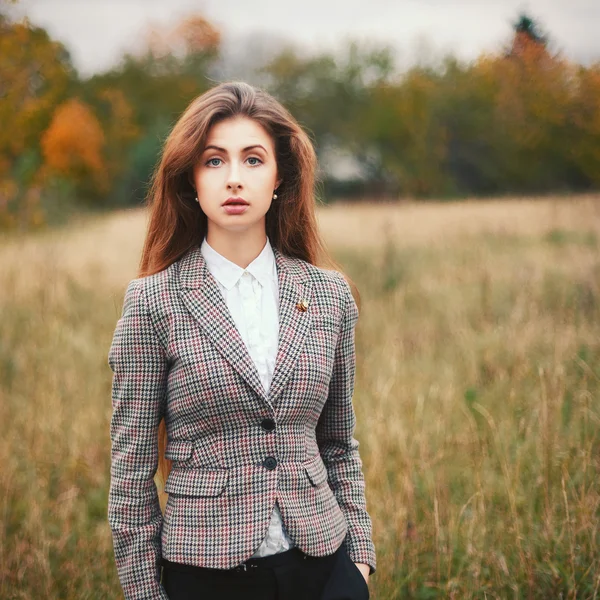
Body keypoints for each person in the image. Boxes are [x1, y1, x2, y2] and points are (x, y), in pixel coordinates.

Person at [107, 81, 376, 600]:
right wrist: (145, 593)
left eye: (253, 160)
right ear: (191, 181)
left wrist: (359, 560)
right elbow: (131, 472)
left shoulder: (329, 294)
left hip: (325, 565)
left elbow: (340, 443)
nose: (234, 179)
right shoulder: (151, 302)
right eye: (214, 161)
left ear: (280, 178)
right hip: (206, 575)